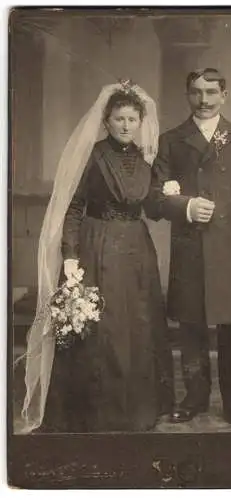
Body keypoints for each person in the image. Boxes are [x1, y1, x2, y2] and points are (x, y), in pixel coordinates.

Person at [19, 81, 174, 433]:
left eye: (131, 119)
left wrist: (169, 191)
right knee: (103, 329)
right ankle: (98, 412)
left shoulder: (145, 158)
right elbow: (73, 208)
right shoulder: (93, 156)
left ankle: (134, 409)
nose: (125, 125)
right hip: (98, 242)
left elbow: (152, 206)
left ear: (140, 121)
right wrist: (71, 256)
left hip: (136, 248)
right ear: (106, 121)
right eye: (118, 119)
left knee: (137, 325)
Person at [144, 68, 231, 431]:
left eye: (211, 92)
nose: (204, 100)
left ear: (224, 95)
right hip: (190, 250)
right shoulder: (171, 140)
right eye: (197, 92)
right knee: (191, 327)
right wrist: (184, 205)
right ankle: (195, 398)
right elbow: (153, 200)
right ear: (187, 95)